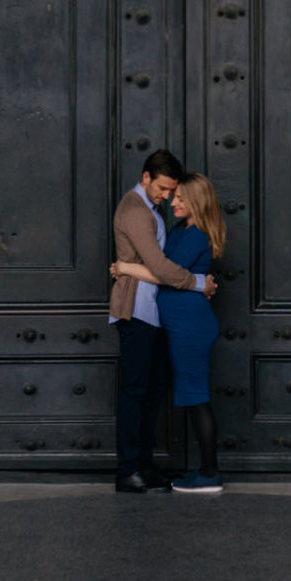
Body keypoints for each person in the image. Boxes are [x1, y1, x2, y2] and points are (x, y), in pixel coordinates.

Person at [112, 171, 226, 494]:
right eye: (173, 195)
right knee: (191, 395)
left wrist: (124, 267)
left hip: (191, 326)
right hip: (180, 325)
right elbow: (161, 265)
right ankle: (205, 470)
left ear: (196, 202)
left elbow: (163, 273)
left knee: (196, 396)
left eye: (180, 198)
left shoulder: (195, 236)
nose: (173, 201)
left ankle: (209, 473)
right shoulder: (181, 230)